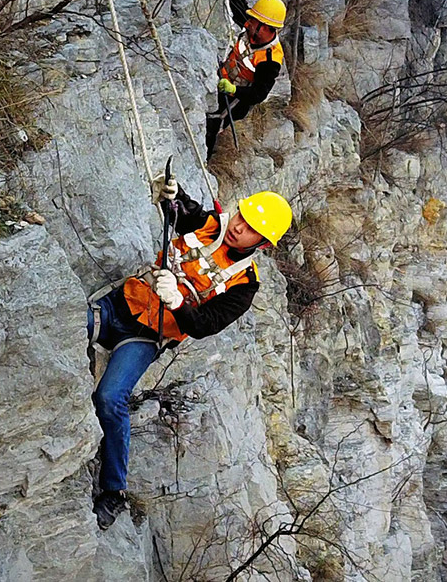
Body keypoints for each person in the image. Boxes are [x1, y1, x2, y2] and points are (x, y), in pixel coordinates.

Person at [88, 173, 293, 530]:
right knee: (67, 327)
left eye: (250, 228)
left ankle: (114, 490)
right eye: (242, 217)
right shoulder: (213, 226)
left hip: (146, 336)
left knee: (110, 398)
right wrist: (172, 194)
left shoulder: (244, 287)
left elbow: (203, 325)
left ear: (262, 243)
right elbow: (184, 211)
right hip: (119, 305)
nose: (239, 227)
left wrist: (179, 302)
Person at [206, 0, 286, 158]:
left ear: (267, 28)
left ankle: (206, 158)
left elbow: (259, 93)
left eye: (254, 22)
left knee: (211, 125)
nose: (248, 24)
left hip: (235, 100)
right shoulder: (254, 29)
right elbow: (240, 9)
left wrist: (233, 90)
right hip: (223, 78)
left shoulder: (270, 59)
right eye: (251, 21)